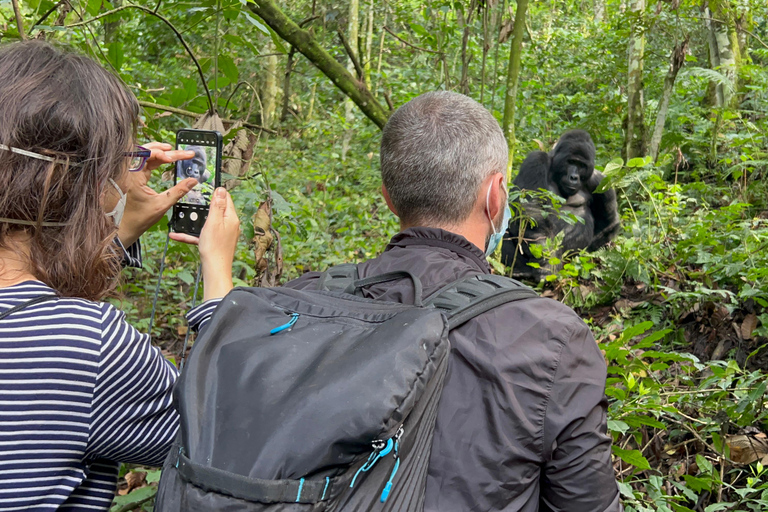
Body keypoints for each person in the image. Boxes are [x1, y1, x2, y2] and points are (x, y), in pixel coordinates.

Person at [285, 92, 622, 511]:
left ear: (388, 197)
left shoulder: (292, 305)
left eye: (580, 171)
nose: (573, 177)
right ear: (497, 198)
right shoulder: (556, 340)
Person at [0, 41, 240, 510]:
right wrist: (218, 279)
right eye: (120, 160)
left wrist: (121, 226)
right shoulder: (87, 344)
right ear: (82, 182)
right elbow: (224, 438)